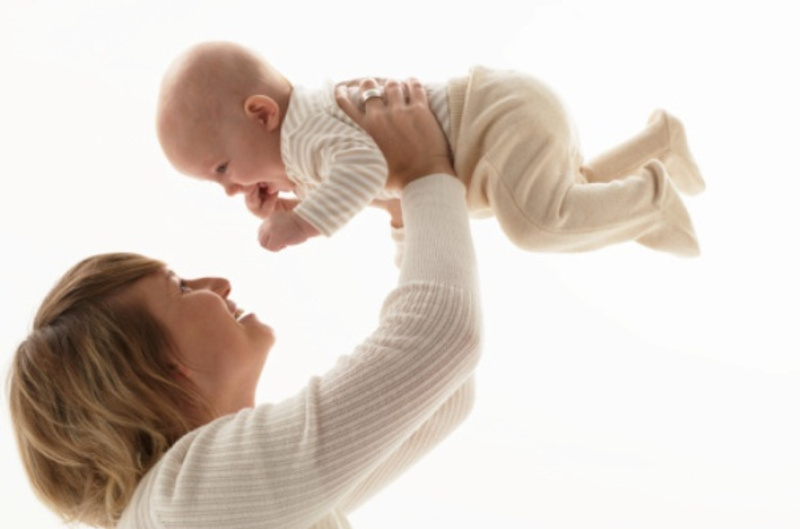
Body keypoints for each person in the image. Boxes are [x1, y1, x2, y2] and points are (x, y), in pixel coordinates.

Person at [8, 79, 482, 528]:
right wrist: (422, 170)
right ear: (158, 368)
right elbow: (442, 339)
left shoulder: (192, 506)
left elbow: (441, 396)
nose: (219, 283)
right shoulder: (186, 502)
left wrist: (397, 204)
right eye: (181, 288)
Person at [156, 40, 705, 257]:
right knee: (572, 197)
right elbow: (391, 195)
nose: (229, 189)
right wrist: (293, 201)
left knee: (538, 225)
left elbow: (365, 171)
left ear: (261, 114)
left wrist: (303, 222)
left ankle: (653, 200)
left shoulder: (306, 131)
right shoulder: (309, 148)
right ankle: (658, 142)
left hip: (494, 119)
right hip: (498, 124)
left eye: (221, 168)